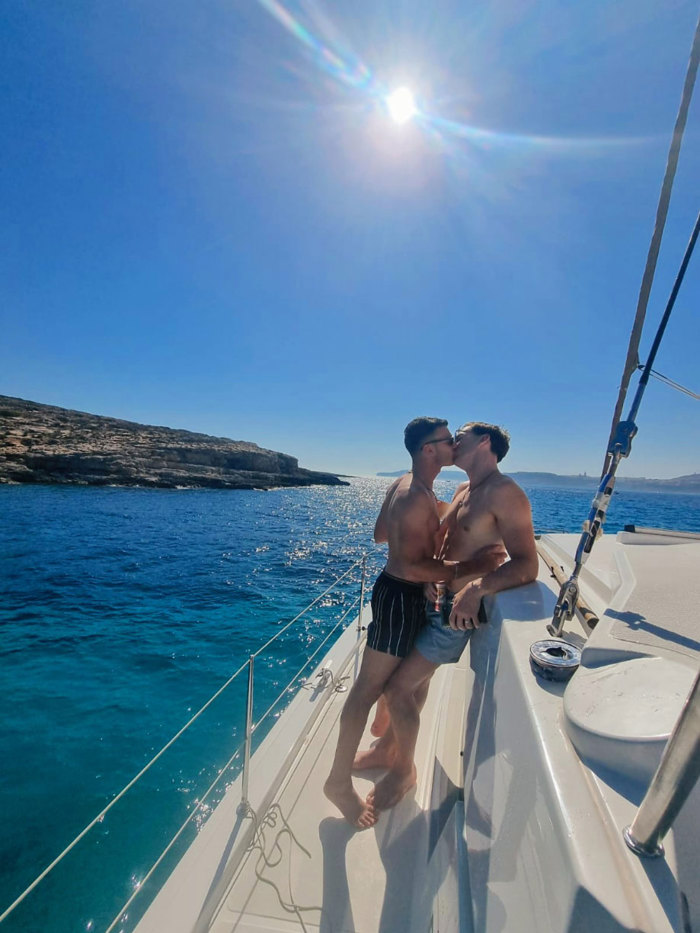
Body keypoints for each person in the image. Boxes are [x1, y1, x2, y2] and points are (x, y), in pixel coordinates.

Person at [323, 417, 503, 828]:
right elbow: (407, 563)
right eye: (447, 441)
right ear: (428, 450)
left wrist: (431, 523)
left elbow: (381, 534)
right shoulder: (413, 495)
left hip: (401, 593)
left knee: (412, 684)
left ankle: (389, 753)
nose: (454, 446)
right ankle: (337, 782)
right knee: (368, 690)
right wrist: (473, 565)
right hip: (400, 599)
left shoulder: (410, 487)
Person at [369, 421, 538, 811]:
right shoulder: (464, 490)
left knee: (396, 689)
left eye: (458, 437)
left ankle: (403, 771)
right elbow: (441, 536)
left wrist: (477, 589)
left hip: (454, 615)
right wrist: (438, 572)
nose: (451, 444)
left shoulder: (506, 493)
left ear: (485, 443)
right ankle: (389, 747)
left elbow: (527, 564)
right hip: (435, 599)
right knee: (415, 684)